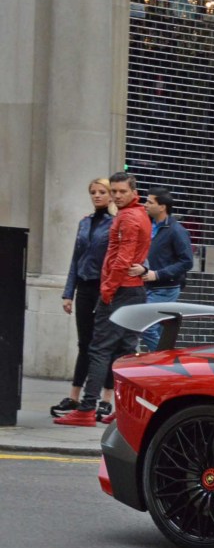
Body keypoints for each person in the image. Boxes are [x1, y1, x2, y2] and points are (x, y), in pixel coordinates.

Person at [55, 172, 151, 427]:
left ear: (133, 191)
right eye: (115, 191)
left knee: (98, 349)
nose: (117, 196)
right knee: (125, 351)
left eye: (121, 192)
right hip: (132, 290)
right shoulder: (136, 214)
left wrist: (107, 289)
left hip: (121, 290)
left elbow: (122, 258)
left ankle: (87, 409)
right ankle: (124, 410)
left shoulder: (128, 217)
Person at [52, 178, 116, 420]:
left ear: (111, 196)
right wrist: (69, 293)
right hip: (85, 289)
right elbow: (75, 260)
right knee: (84, 344)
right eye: (93, 192)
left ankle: (106, 398)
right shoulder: (85, 223)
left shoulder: (115, 224)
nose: (97, 196)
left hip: (106, 288)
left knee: (104, 345)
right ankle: (75, 395)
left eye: (102, 192)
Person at [134, 187, 193, 351]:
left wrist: (157, 274)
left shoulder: (177, 231)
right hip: (147, 287)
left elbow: (187, 262)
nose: (145, 205)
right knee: (153, 328)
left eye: (150, 202)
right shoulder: (148, 226)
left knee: (144, 325)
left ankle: (164, 360)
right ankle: (159, 368)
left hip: (165, 289)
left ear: (162, 207)